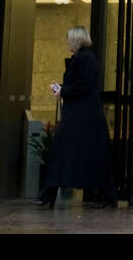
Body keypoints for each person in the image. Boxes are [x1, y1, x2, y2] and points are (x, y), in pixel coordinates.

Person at [34, 26, 116, 209]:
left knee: (62, 153)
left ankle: (49, 194)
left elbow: (83, 85)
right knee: (89, 155)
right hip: (83, 116)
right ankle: (104, 195)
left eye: (70, 39)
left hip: (80, 117)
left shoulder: (84, 59)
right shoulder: (86, 58)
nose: (67, 43)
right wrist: (63, 88)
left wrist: (63, 89)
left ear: (77, 40)